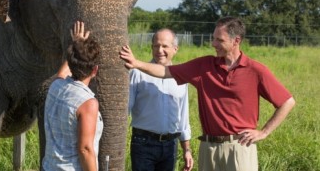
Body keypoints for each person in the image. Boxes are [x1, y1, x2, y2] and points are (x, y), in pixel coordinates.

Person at [120, 17, 295, 171]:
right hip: (208, 148)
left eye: (219, 40)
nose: (213, 44)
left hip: (240, 147)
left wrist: (264, 132)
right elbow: (165, 72)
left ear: (236, 41)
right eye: (213, 38)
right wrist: (136, 63)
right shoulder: (203, 66)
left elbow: (287, 102)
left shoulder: (256, 70)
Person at [128, 28, 193, 171]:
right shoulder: (138, 73)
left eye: (165, 46)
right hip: (143, 144)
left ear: (175, 49)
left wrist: (187, 150)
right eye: (156, 46)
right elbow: (125, 109)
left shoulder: (181, 78)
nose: (160, 50)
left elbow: (183, 118)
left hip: (170, 146)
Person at [43, 21, 103, 171]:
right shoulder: (88, 103)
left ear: (70, 63)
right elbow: (85, 149)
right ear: (95, 70)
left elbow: (62, 73)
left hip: (49, 166)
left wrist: (76, 44)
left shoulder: (56, 86)